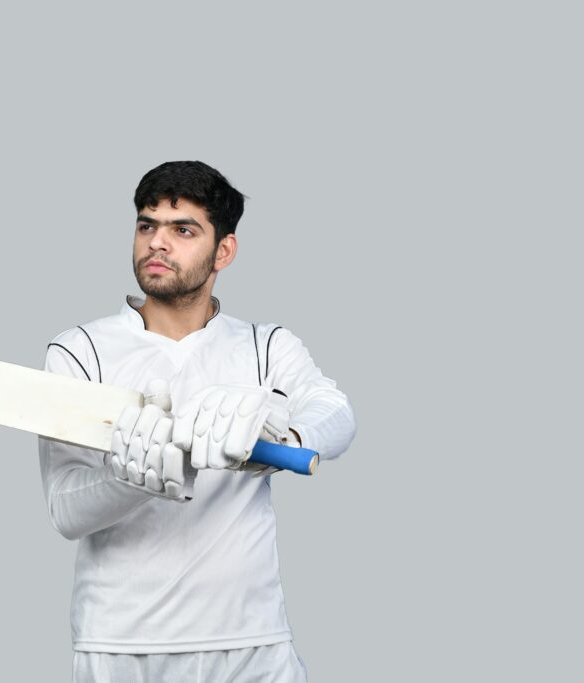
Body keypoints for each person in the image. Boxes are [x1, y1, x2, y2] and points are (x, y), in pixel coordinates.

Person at [38, 160, 357, 682]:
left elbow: (338, 413)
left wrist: (283, 434)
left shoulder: (265, 346)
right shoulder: (81, 350)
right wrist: (133, 476)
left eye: (183, 230)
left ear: (223, 251)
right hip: (121, 645)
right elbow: (65, 510)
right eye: (147, 225)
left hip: (253, 642)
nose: (157, 243)